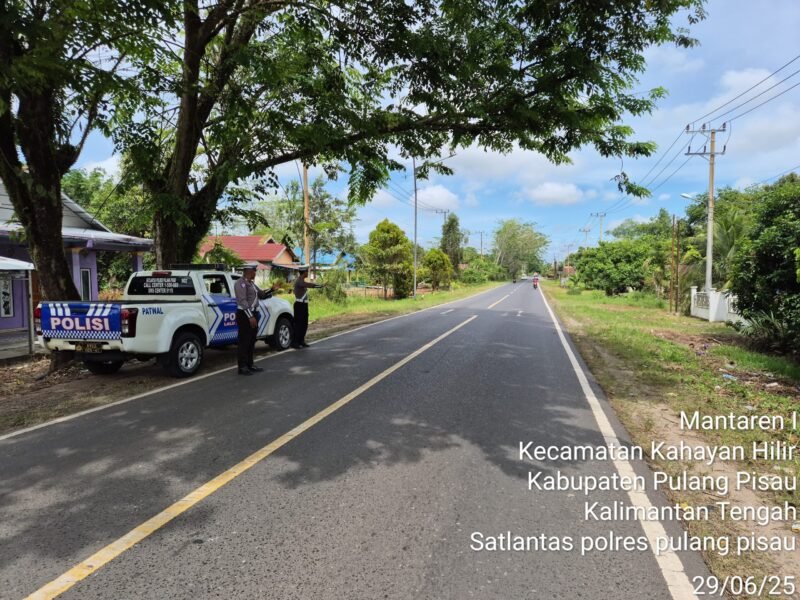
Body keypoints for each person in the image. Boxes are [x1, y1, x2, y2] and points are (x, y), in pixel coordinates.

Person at [235, 264, 279, 375]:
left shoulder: (252, 284)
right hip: (245, 315)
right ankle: (242, 366)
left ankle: (250, 364)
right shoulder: (240, 283)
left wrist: (272, 290)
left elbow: (262, 294)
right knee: (244, 341)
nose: (255, 273)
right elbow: (242, 302)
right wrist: (250, 316)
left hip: (253, 313)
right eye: (254, 271)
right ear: (249, 271)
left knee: (251, 341)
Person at [292, 266, 323, 349]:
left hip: (304, 304)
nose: (307, 273)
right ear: (303, 272)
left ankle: (301, 341)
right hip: (299, 305)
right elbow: (308, 285)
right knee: (298, 324)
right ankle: (295, 342)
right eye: (306, 271)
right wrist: (319, 286)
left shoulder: (302, 281)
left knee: (304, 324)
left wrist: (319, 286)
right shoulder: (299, 281)